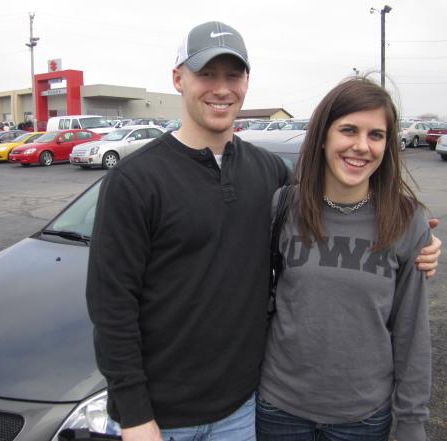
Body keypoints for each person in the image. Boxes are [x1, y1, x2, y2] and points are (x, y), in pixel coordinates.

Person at [86, 22, 441, 441]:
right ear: (178, 78)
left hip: (242, 410)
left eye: (232, 75)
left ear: (247, 82)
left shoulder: (269, 175)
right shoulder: (133, 180)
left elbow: (336, 205)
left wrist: (418, 240)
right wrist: (134, 415)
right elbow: (112, 306)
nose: (221, 88)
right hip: (162, 420)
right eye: (206, 74)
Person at [257, 78, 434, 441]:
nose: (361, 146)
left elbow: (412, 330)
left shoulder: (405, 220)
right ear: (323, 136)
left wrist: (413, 421)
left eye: (376, 135)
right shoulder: (283, 208)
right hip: (279, 409)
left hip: (362, 418)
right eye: (348, 130)